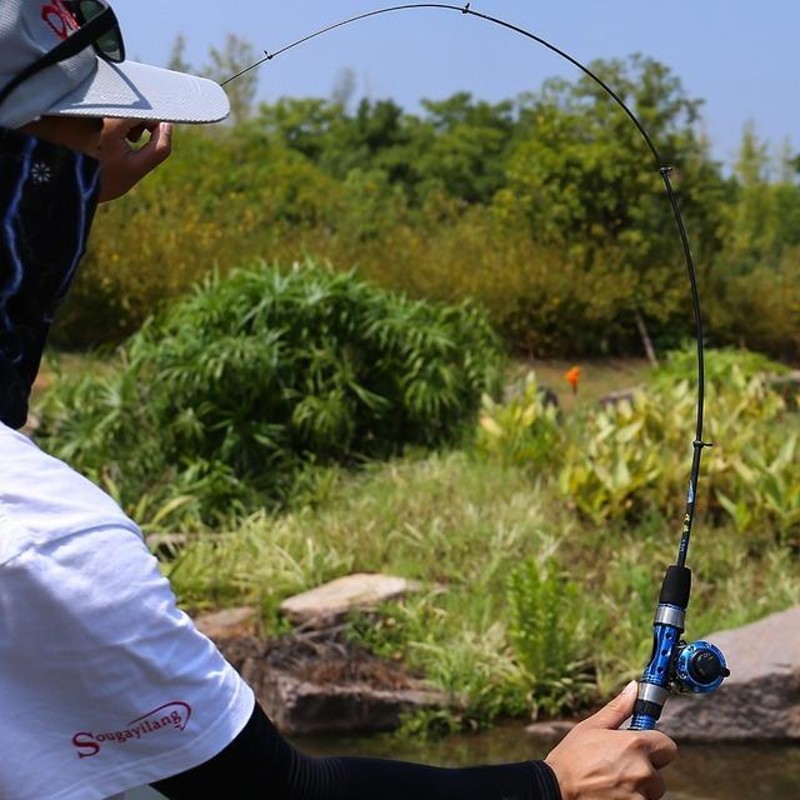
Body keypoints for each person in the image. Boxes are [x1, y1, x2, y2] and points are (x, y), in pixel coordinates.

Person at [0, 2, 678, 798]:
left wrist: (65, 184)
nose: (88, 175)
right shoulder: (43, 541)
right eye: (80, 136)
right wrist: (548, 786)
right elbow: (279, 796)